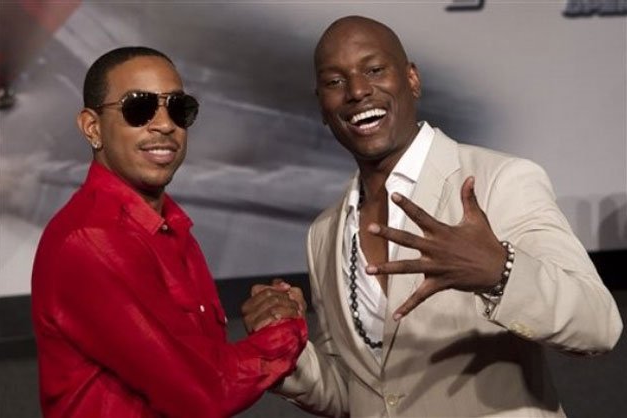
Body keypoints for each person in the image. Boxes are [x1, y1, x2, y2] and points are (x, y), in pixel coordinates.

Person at [242, 16, 623, 417]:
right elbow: (358, 394)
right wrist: (284, 348)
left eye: (374, 70)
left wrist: (500, 273)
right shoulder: (324, 233)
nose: (356, 91)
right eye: (335, 81)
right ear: (321, 103)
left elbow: (598, 326)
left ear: (412, 79)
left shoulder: (499, 181)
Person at [31, 46, 307, 418]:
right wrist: (286, 328)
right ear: (92, 127)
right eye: (139, 107)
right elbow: (206, 391)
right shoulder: (91, 239)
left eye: (179, 108)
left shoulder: (173, 230)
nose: (165, 124)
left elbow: (204, 366)